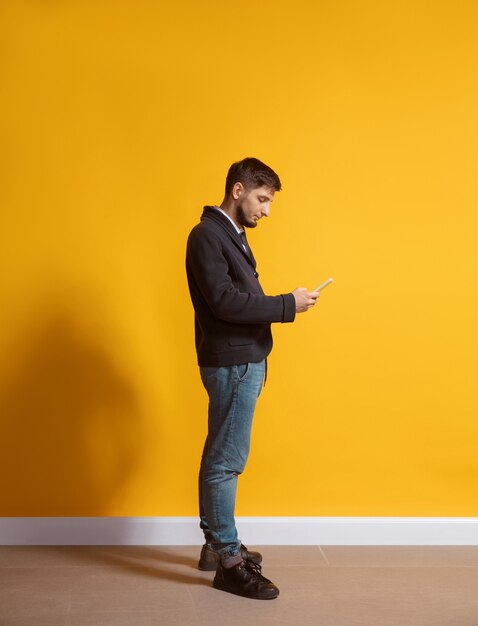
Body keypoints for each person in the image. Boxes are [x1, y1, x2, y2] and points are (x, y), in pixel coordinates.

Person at [185, 157, 319, 600]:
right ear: (238, 191)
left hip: (241, 361)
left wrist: (282, 306)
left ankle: (215, 543)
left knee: (219, 455)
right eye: (262, 199)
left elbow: (239, 296)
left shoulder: (231, 234)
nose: (266, 209)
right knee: (226, 461)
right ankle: (229, 561)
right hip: (232, 364)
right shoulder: (207, 235)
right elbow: (225, 301)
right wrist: (287, 305)